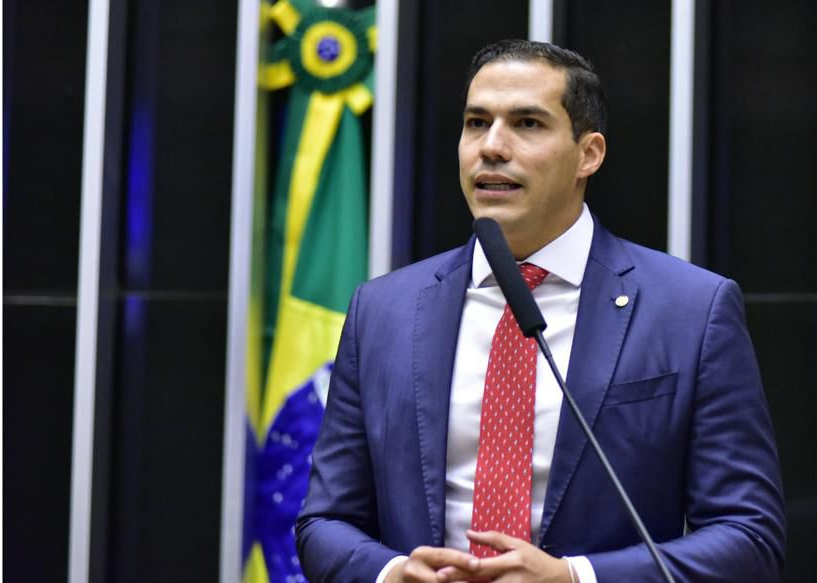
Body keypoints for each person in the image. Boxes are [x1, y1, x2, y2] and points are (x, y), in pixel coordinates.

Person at [296, 39, 785, 582]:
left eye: (527, 124)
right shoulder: (383, 310)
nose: (492, 147)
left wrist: (574, 578)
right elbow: (325, 520)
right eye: (476, 123)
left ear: (588, 154)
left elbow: (749, 537)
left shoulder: (690, 310)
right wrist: (391, 574)